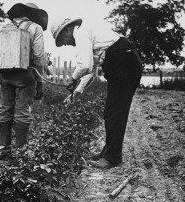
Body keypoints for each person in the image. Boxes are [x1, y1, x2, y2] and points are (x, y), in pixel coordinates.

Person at [51, 18, 143, 169]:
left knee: (115, 112)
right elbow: (90, 71)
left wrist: (72, 78)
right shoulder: (89, 36)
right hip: (123, 61)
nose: (65, 43)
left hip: (124, 62)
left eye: (62, 39)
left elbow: (84, 66)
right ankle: (108, 153)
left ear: (67, 30)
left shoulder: (80, 33)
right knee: (112, 111)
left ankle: (112, 158)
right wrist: (76, 92)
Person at [0, 2, 47, 160]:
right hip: (26, 74)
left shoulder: (5, 27)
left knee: (4, 110)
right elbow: (39, 57)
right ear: (32, 14)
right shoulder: (35, 28)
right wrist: (40, 82)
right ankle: (21, 153)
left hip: (5, 74)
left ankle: (4, 151)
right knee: (23, 112)